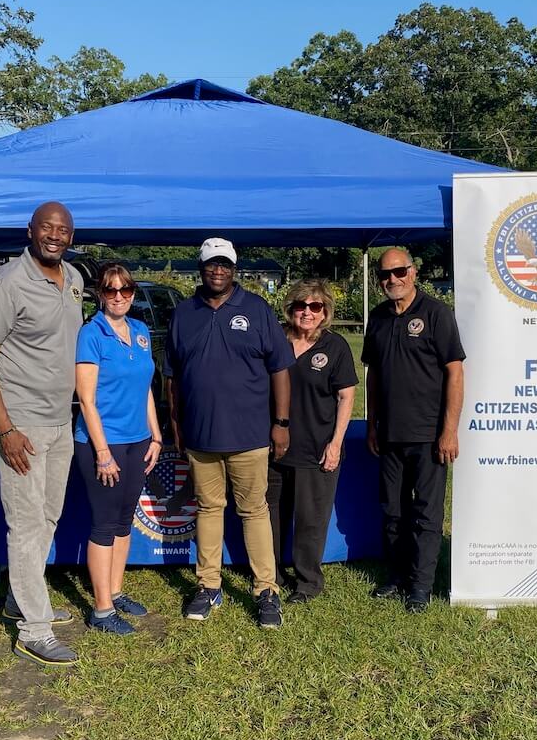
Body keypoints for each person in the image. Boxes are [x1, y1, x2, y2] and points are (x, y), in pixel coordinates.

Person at [0, 202, 84, 666]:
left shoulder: (74, 279)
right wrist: (6, 429)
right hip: (21, 425)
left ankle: (23, 597)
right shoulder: (6, 285)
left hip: (62, 421)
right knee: (25, 523)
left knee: (49, 517)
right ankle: (33, 630)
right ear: (31, 231)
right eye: (47, 228)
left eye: (63, 230)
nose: (55, 236)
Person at [165, 237, 295, 628]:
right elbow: (172, 376)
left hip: (251, 435)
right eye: (210, 264)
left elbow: (280, 370)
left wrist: (282, 423)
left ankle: (266, 590)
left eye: (224, 264)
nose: (217, 270)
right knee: (208, 509)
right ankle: (208, 585)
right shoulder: (183, 313)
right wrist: (176, 424)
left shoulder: (256, 309)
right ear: (200, 267)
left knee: (254, 510)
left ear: (233, 268)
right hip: (201, 436)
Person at [363, 248, 465, 612]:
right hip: (388, 434)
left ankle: (420, 585)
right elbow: (373, 374)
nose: (392, 279)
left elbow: (455, 372)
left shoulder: (437, 314)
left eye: (399, 271)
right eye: (385, 275)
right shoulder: (377, 317)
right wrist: (372, 423)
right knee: (392, 511)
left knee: (425, 513)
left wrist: (449, 430)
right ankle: (397, 574)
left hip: (428, 435)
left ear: (414, 272)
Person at [74, 264, 163, 634]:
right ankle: (101, 609)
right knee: (105, 523)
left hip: (138, 440)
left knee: (125, 520)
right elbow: (86, 399)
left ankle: (115, 589)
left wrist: (156, 436)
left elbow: (146, 390)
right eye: (111, 291)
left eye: (125, 290)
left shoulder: (140, 331)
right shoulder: (90, 334)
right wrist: (102, 452)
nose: (118, 297)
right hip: (103, 443)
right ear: (100, 294)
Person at [266, 279, 356, 602]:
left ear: (325, 312)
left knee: (310, 520)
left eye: (315, 307)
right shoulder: (274, 339)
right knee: (269, 516)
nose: (307, 312)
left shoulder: (335, 347)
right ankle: (269, 576)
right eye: (301, 306)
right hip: (274, 447)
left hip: (317, 449)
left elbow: (347, 397)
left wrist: (335, 444)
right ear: (290, 309)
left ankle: (307, 583)